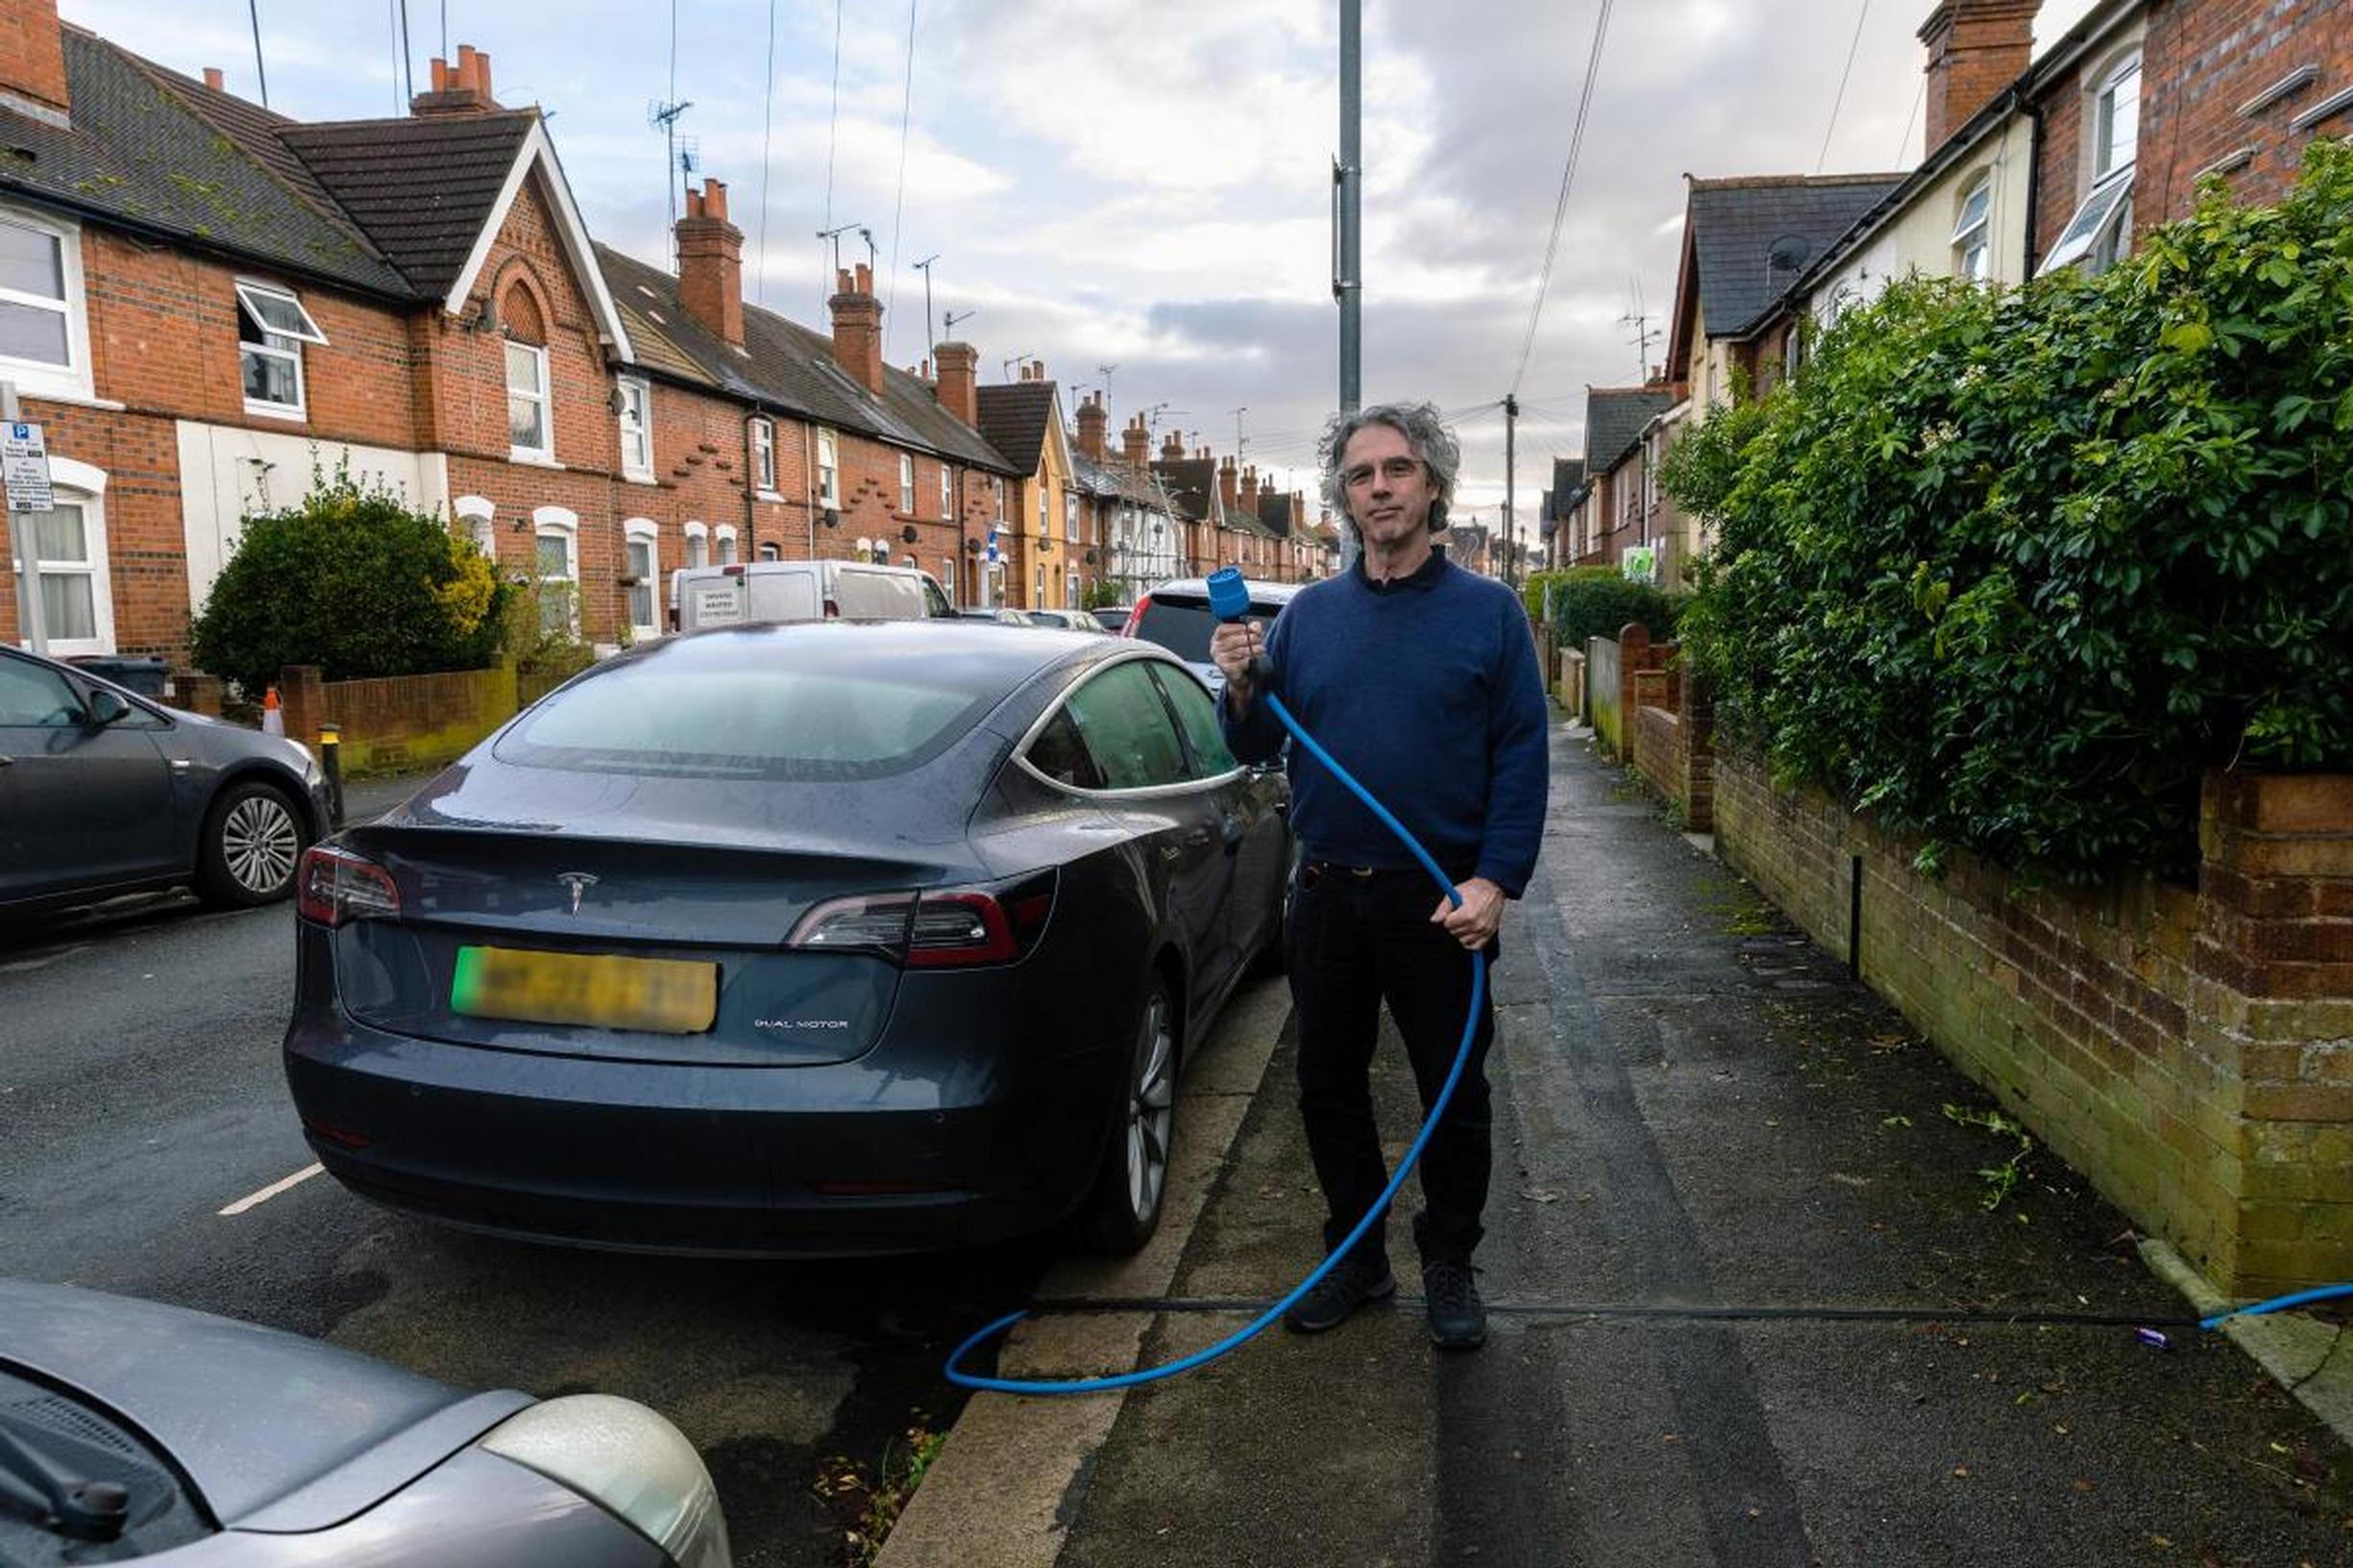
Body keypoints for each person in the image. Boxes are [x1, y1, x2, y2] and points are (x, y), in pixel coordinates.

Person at [1213, 401, 1549, 1351]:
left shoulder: (1487, 612)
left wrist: (1494, 882)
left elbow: (1522, 757)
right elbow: (1251, 740)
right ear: (1343, 499)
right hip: (1324, 893)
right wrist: (1238, 681)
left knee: (1454, 1089)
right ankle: (1357, 1260)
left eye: (1396, 470)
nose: (1379, 489)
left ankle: (1449, 1261)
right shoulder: (1309, 617)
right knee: (1327, 1084)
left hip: (1439, 900)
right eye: (1361, 476)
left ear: (1432, 483)